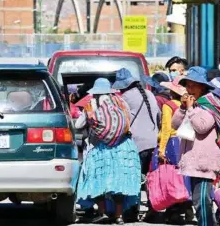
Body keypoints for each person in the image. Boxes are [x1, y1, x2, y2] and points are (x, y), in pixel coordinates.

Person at [75, 78, 141, 225]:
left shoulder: (91, 105)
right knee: (118, 182)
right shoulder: (121, 102)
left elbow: (79, 125)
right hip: (123, 147)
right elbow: (128, 120)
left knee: (96, 179)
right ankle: (118, 216)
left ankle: (102, 211)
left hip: (100, 148)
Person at [172, 66, 220, 226]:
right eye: (188, 85)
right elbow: (175, 124)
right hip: (192, 162)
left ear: (202, 87)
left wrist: (191, 109)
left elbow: (202, 126)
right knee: (198, 202)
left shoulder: (210, 105)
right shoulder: (193, 106)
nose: (189, 89)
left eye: (193, 85)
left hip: (204, 163)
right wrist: (182, 108)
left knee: (202, 202)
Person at [112, 68, 161, 221]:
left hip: (136, 145)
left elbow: (121, 122)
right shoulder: (150, 94)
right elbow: (158, 116)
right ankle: (153, 209)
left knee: (134, 178)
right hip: (153, 142)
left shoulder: (125, 97)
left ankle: (131, 213)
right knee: (149, 179)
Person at [155, 76, 194, 224]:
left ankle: (174, 213)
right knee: (186, 177)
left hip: (172, 143)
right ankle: (189, 211)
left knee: (172, 178)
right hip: (186, 141)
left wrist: (161, 150)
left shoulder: (168, 105)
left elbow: (166, 129)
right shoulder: (189, 104)